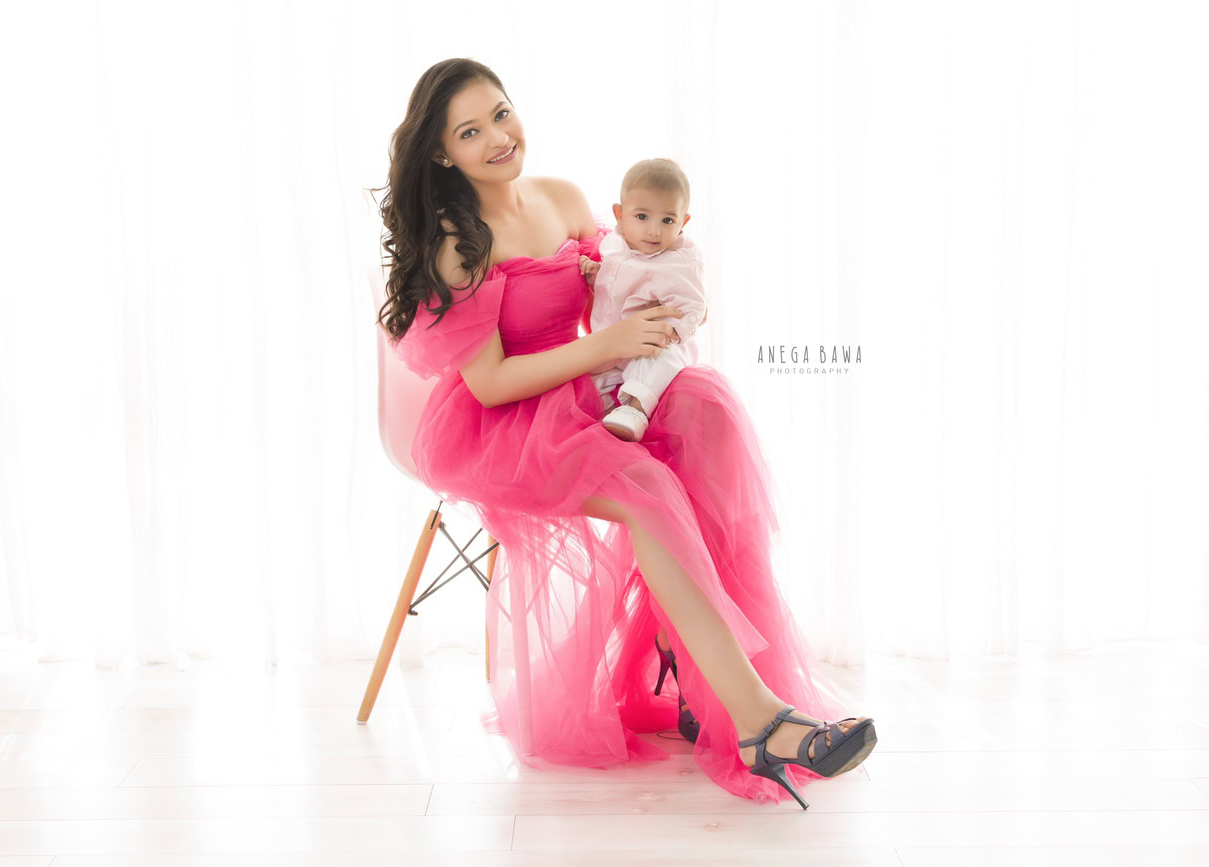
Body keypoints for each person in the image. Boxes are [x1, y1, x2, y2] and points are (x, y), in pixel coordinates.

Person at [373, 57, 877, 807]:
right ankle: (759, 719)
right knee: (646, 490)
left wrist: (666, 305)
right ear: (443, 153)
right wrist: (609, 348)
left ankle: (686, 659)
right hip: (511, 419)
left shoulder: (565, 197)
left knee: (707, 412)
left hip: (589, 387)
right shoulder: (459, 241)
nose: (499, 138)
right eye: (471, 132)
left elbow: (624, 278)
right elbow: (492, 382)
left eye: (502, 114)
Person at [581, 157, 707, 443]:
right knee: (588, 376)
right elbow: (617, 283)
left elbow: (695, 304)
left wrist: (672, 331)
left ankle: (635, 410)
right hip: (611, 339)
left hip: (653, 342)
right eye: (642, 217)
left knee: (658, 361)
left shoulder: (679, 262)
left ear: (683, 221)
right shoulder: (615, 245)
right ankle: (606, 411)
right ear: (620, 214)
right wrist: (595, 274)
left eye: (667, 220)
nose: (654, 230)